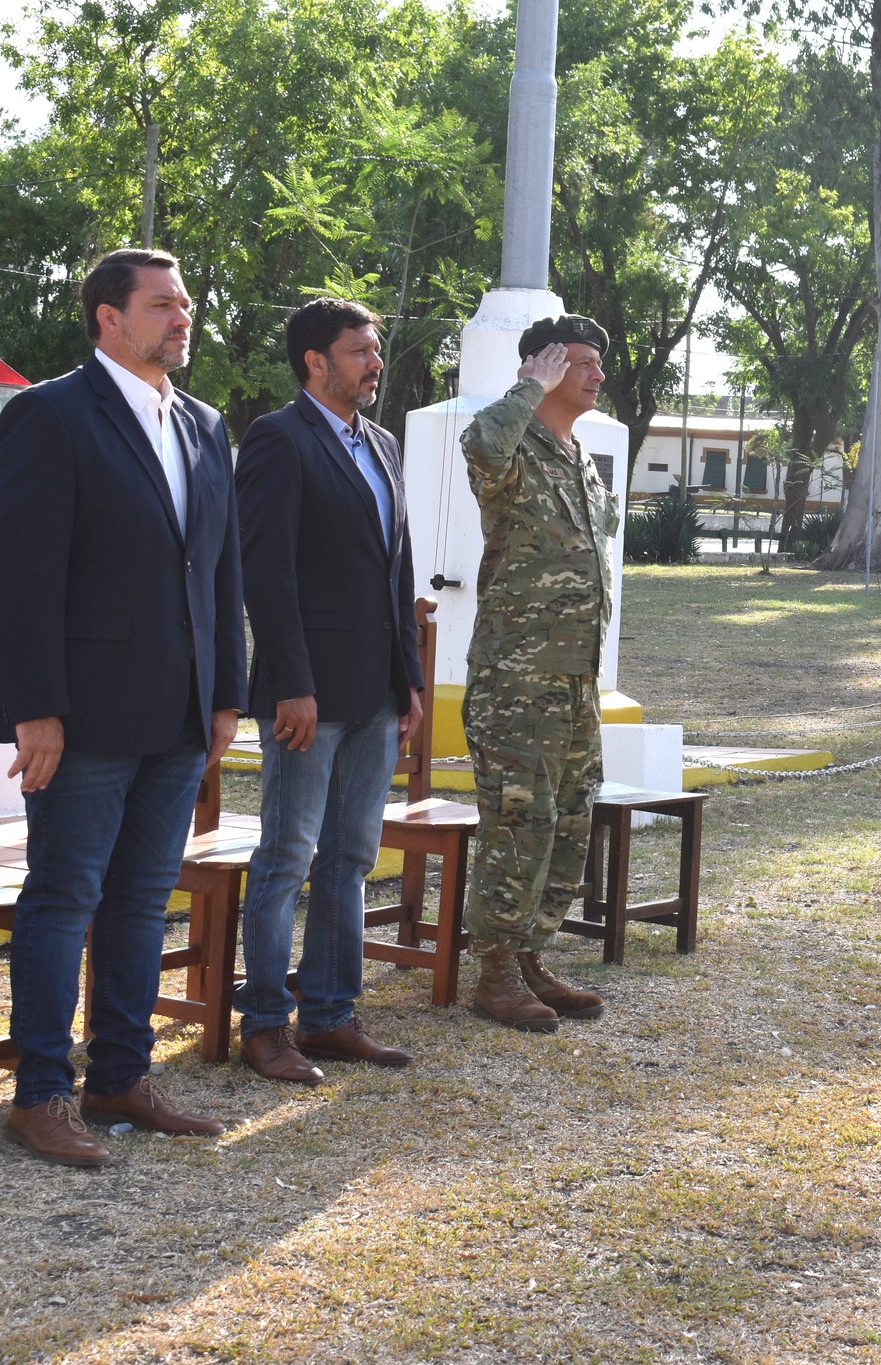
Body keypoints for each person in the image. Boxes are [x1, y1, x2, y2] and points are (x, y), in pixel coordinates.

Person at [0, 248, 245, 1166]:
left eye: (185, 303)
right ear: (108, 317)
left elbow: (219, 569)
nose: (182, 317)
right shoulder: (49, 414)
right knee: (64, 898)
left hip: (180, 711)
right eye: (163, 304)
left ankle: (121, 1078)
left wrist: (226, 694)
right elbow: (18, 576)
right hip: (83, 715)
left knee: (139, 901)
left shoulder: (204, 425)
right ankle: (40, 1094)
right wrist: (36, 708)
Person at [232, 298, 423, 1083]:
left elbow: (398, 570)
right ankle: (265, 1025)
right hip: (307, 696)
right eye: (358, 351)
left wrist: (410, 681)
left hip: (376, 692)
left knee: (350, 858)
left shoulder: (382, 443)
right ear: (315, 361)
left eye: (375, 350)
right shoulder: (278, 438)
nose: (374, 363)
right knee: (287, 856)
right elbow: (265, 570)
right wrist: (291, 682)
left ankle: (331, 1015)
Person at [456, 316, 619, 1031]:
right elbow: (479, 443)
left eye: (598, 363)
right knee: (519, 821)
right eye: (580, 361)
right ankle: (493, 972)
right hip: (517, 680)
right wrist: (527, 389)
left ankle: (529, 955)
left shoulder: (579, 456)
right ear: (543, 366)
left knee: (570, 821)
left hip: (576, 675)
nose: (596, 374)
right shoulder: (512, 444)